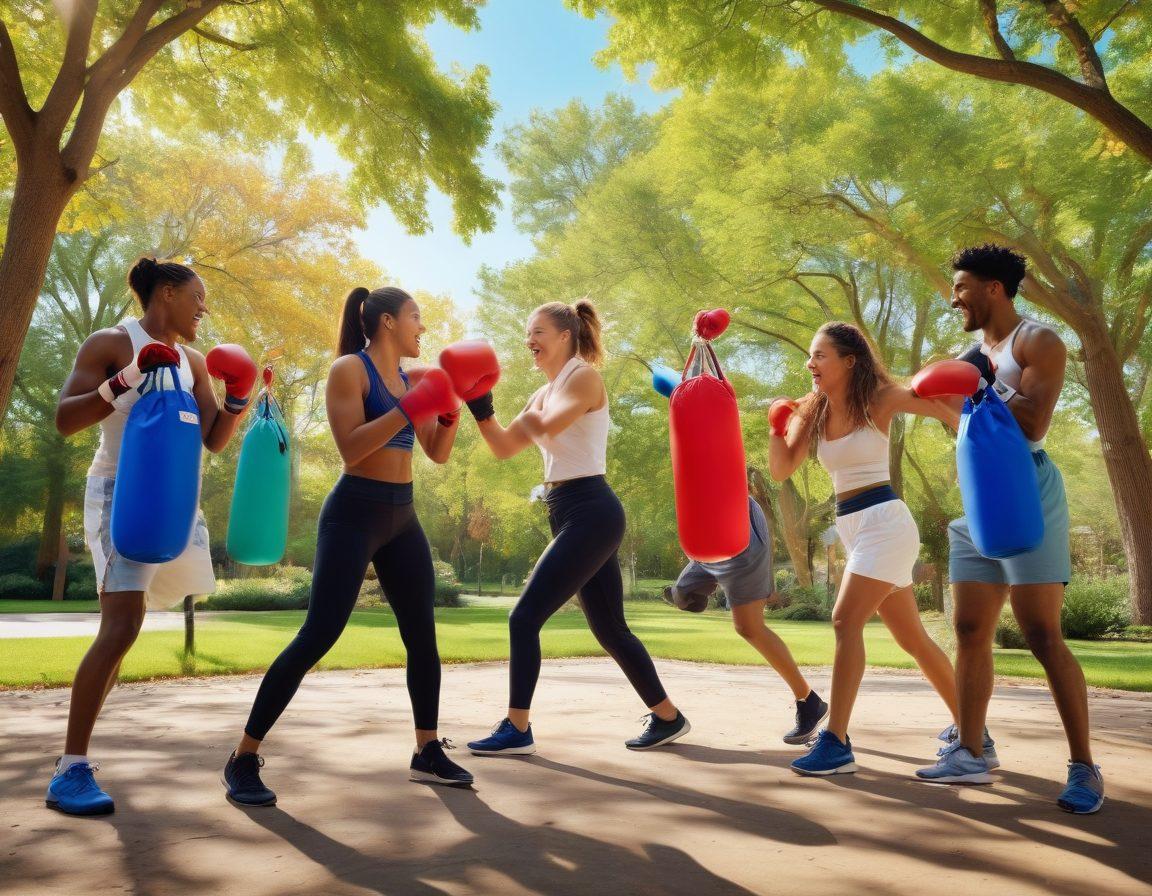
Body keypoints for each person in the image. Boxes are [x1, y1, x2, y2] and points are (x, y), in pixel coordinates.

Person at [223, 286, 470, 808]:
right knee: (319, 633)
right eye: (415, 317)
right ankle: (243, 757)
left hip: (403, 515)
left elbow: (436, 453)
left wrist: (447, 417)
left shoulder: (409, 379)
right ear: (386, 322)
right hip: (355, 512)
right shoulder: (349, 372)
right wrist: (412, 406)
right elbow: (353, 447)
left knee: (422, 636)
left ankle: (427, 750)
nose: (422, 327)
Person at [49, 257, 256, 816]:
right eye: (197, 296)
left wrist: (239, 397)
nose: (203, 308)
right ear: (166, 293)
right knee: (122, 624)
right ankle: (69, 769)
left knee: (125, 631)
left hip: (172, 497)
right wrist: (125, 380)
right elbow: (65, 419)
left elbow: (213, 438)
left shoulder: (193, 360)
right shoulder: (112, 342)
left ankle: (77, 751)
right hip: (118, 492)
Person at [914, 244, 1102, 814]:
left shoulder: (1038, 341)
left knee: (1041, 634)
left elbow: (1034, 419)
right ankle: (971, 751)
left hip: (1029, 489)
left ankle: (1084, 768)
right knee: (969, 626)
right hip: (979, 495)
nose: (954, 298)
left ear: (994, 287)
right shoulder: (975, 353)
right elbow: (957, 414)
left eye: (963, 287)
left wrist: (978, 385)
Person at [461, 300, 691, 755]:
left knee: (523, 617)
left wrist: (523, 421)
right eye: (528, 333)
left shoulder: (582, 376)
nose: (530, 341)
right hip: (566, 509)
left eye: (538, 332)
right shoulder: (542, 391)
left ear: (565, 335)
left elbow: (550, 424)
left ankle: (517, 727)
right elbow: (506, 446)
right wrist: (480, 409)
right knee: (609, 629)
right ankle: (668, 717)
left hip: (591, 509)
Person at [769, 322, 980, 776]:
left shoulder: (880, 398)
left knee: (845, 621)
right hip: (854, 528)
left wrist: (979, 433)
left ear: (850, 360)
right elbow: (782, 468)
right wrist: (776, 426)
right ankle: (974, 732)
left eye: (820, 355)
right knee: (913, 639)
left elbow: (950, 412)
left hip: (886, 523)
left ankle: (837, 741)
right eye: (810, 356)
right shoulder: (812, 410)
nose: (810, 364)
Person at [666, 495, 829, 744]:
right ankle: (694, 593)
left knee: (749, 627)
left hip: (738, 528)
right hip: (708, 531)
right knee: (680, 594)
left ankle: (809, 702)